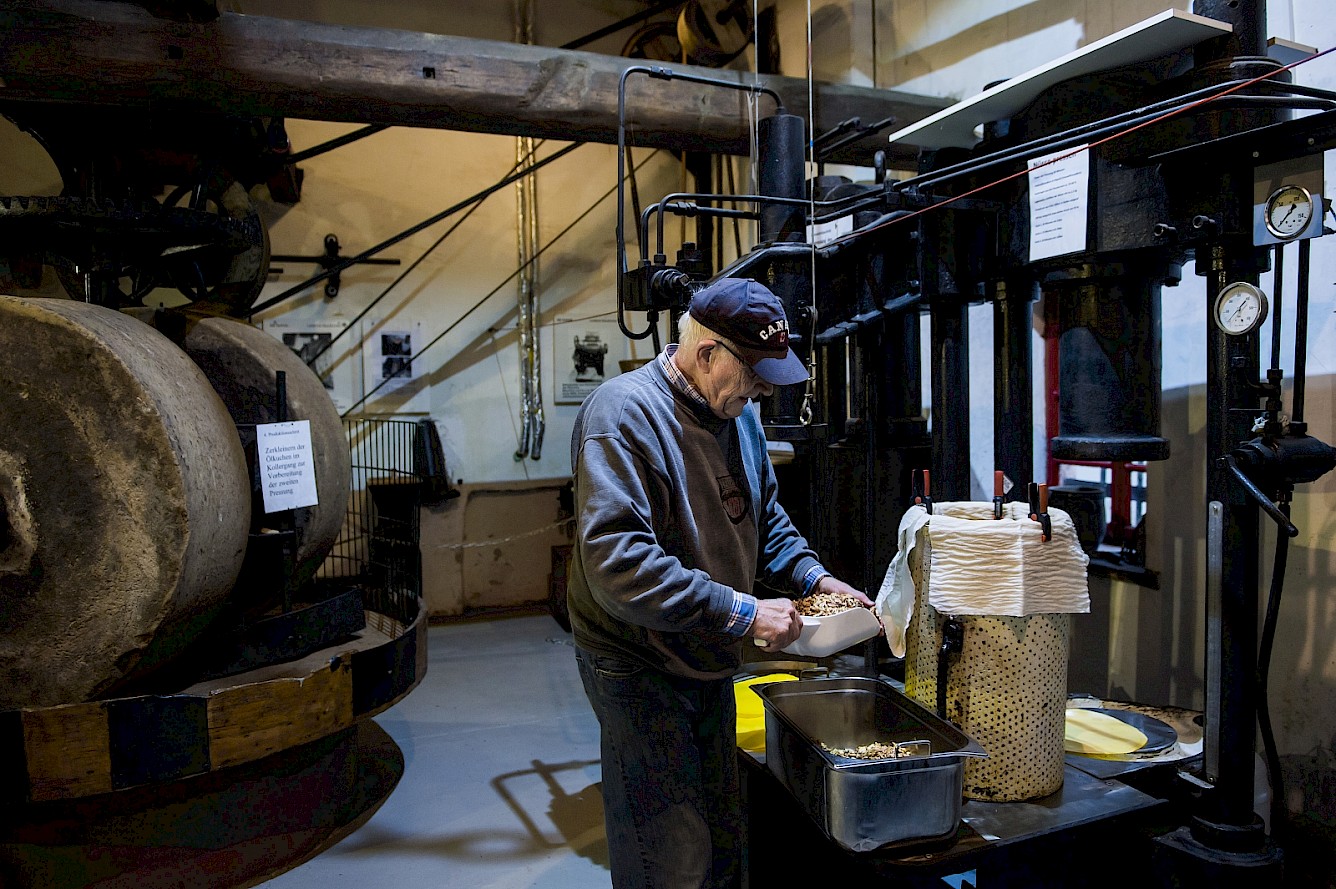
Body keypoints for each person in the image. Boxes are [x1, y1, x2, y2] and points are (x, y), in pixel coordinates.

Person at [567, 276, 872, 888]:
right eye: (755, 372)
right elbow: (618, 564)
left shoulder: (739, 414)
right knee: (669, 851)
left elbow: (764, 517)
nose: (764, 389)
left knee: (724, 832)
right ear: (707, 353)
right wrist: (744, 612)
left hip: (706, 648)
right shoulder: (622, 416)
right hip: (637, 659)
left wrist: (814, 577)